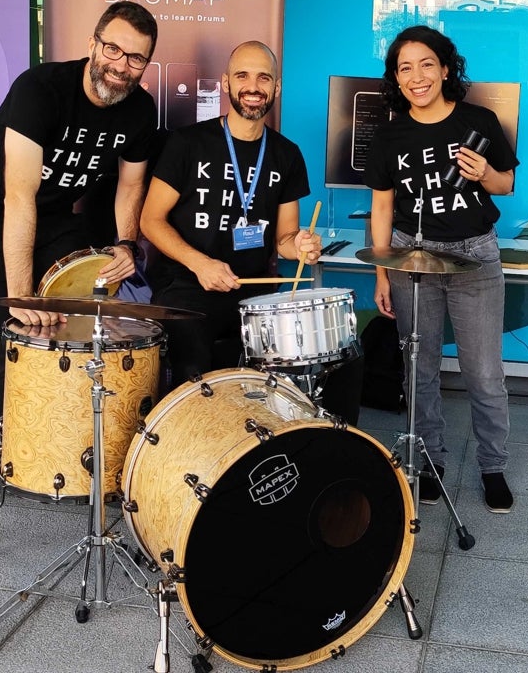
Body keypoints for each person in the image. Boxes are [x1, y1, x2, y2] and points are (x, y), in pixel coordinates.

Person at [0, 1, 161, 420]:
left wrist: (127, 244)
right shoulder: (41, 89)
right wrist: (21, 295)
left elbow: (131, 185)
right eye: (113, 49)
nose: (121, 65)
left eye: (136, 58)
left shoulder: (139, 111)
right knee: (15, 331)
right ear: (92, 44)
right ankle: (16, 452)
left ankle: (70, 431)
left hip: (53, 215)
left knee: (79, 315)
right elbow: (18, 197)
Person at [140, 40, 362, 425]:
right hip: (190, 290)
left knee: (337, 357)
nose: (253, 86)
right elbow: (150, 220)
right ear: (226, 83)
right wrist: (200, 263)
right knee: (194, 361)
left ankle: (315, 452)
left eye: (264, 77)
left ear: (276, 88)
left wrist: (302, 244)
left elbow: (284, 240)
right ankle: (191, 455)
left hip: (256, 296)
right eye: (242, 75)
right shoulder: (187, 143)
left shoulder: (286, 154)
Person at [363, 24, 518, 513]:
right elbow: (382, 208)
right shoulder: (388, 134)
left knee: (484, 373)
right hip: (414, 255)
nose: (416, 76)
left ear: (445, 68)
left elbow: (506, 185)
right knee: (420, 369)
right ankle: (430, 462)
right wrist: (382, 273)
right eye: (404, 68)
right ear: (396, 77)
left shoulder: (480, 120)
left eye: (426, 64)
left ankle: (493, 467)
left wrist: (485, 173)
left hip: (474, 254)